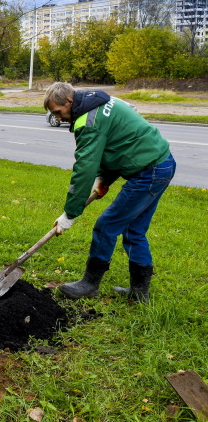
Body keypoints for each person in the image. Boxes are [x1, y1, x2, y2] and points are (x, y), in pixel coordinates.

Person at [44, 82, 175, 302]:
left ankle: (89, 284)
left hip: (149, 171)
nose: (58, 117)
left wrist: (70, 214)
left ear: (68, 101)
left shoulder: (88, 120)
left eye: (58, 112)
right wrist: (104, 178)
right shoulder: (97, 102)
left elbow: (85, 167)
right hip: (160, 163)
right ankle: (139, 293)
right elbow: (116, 143)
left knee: (106, 226)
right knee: (134, 231)